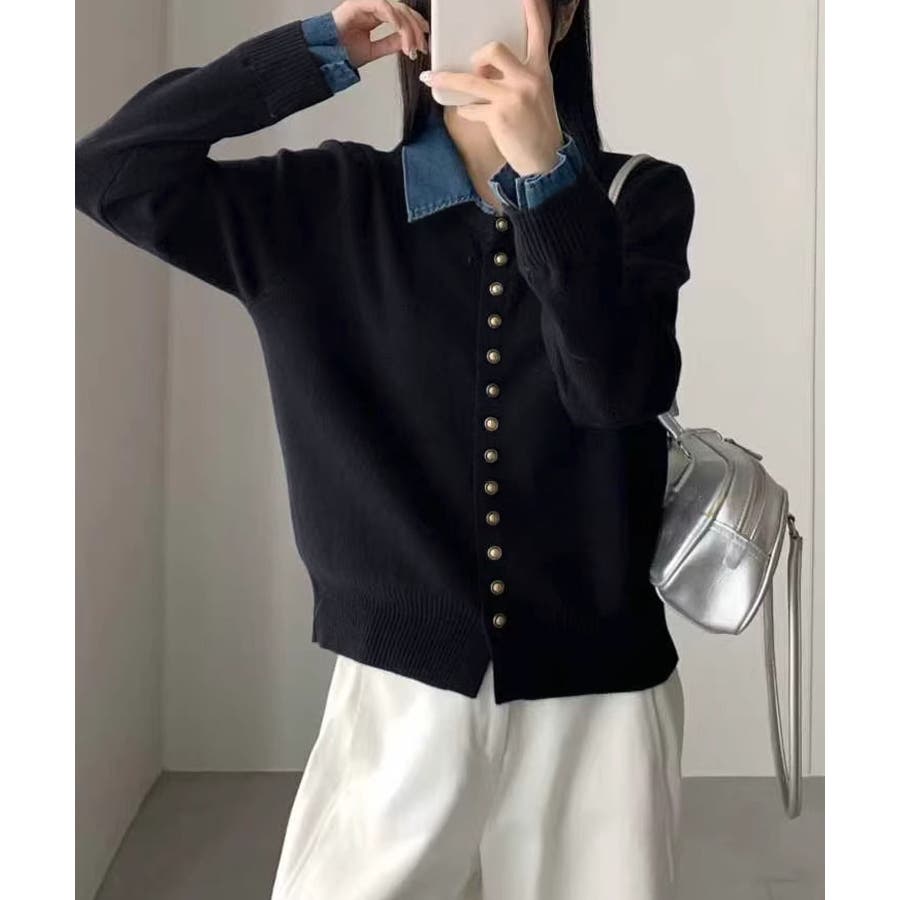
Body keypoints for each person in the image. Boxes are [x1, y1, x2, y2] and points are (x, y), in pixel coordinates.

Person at [75, 1, 694, 897]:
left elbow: (614, 396)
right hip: (399, 688)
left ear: (561, 19)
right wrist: (314, 50)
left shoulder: (638, 198)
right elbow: (110, 171)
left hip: (603, 691)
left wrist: (548, 179)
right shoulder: (322, 205)